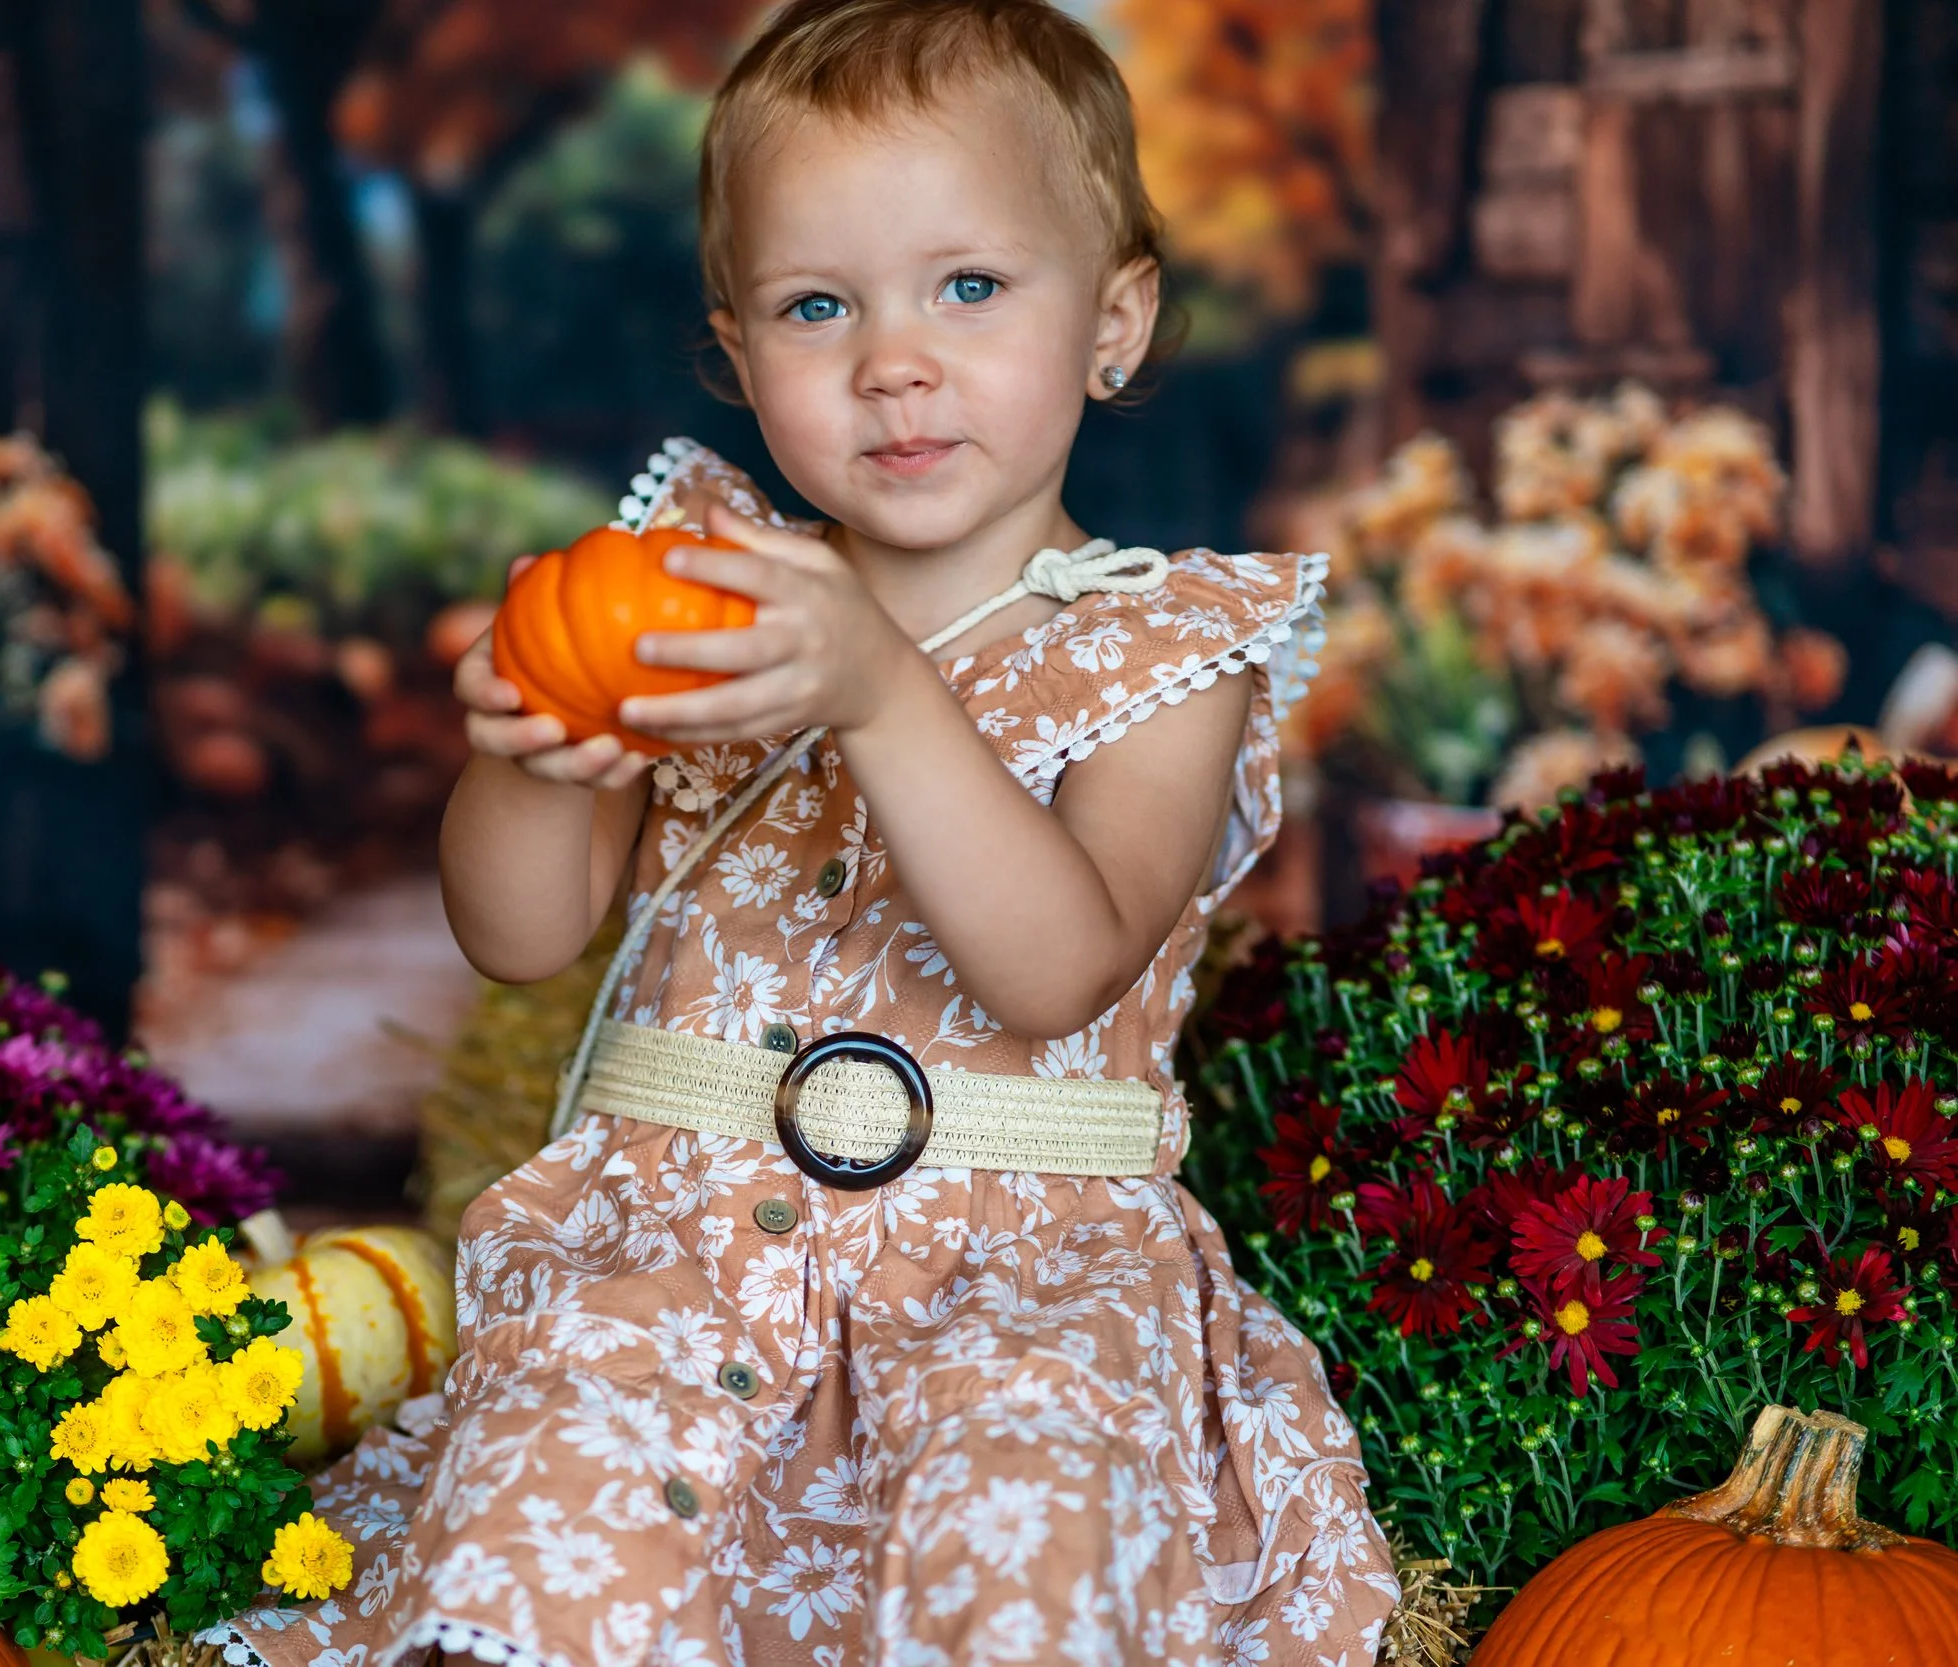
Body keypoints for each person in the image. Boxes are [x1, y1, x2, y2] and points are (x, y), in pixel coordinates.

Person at [222, 1, 1395, 1661]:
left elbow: (1058, 962)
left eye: (970, 286)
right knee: (560, 1461)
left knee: (1029, 1505)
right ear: (737, 349)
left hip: (1017, 1278)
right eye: (817, 304)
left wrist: (880, 691)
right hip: (679, 1254)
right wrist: (536, 756)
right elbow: (522, 932)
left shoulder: (1166, 651)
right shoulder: (696, 600)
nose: (892, 358)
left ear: (1115, 322)